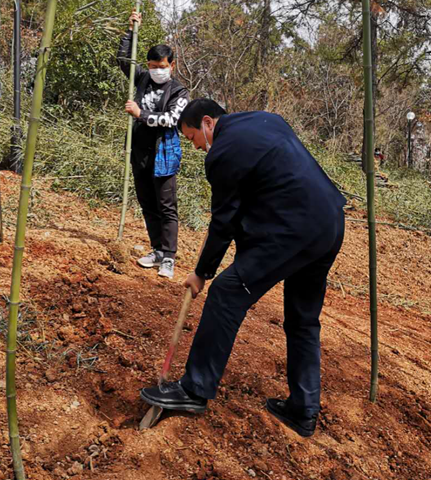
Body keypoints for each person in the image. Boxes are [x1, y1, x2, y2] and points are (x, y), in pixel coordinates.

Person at [140, 99, 346, 438]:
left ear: (208, 123)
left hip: (294, 230)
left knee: (225, 293)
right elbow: (267, 192)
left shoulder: (223, 152)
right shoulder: (265, 119)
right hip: (330, 223)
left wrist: (202, 273)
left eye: (192, 138)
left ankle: (194, 389)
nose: (196, 147)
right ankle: (303, 409)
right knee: (303, 320)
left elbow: (225, 222)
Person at [118, 10, 190, 279]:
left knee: (166, 205)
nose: (156, 70)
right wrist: (131, 31)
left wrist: (141, 114)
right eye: (152, 65)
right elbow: (123, 60)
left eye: (161, 65)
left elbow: (171, 119)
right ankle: (157, 249)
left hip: (163, 153)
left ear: (172, 64)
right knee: (147, 203)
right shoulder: (143, 78)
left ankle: (169, 256)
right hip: (139, 152)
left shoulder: (179, 91)